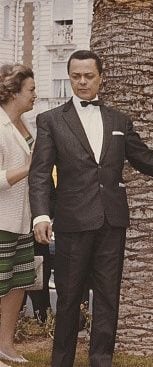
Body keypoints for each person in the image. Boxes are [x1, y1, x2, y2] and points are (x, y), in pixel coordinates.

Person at [28, 49, 153, 367]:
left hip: (112, 222)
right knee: (69, 299)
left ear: (101, 77)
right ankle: (62, 362)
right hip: (71, 222)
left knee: (108, 299)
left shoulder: (119, 120)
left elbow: (145, 160)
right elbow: (41, 172)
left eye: (89, 76)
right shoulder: (51, 121)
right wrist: (42, 214)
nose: (82, 82)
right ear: (69, 76)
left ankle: (101, 361)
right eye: (75, 76)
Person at [0, 63, 37, 365]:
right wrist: (30, 167)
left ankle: (5, 345)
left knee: (18, 283)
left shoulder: (26, 126)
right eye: (31, 90)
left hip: (22, 221)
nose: (35, 95)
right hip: (1, 221)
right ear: (13, 92)